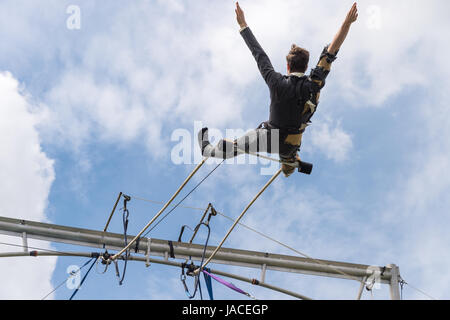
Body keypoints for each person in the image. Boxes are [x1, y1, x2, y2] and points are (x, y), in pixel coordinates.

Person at [199, 2, 358, 177]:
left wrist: (243, 25)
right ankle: (289, 163)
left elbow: (259, 54)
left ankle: (209, 150)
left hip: (268, 138)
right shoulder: (312, 85)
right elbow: (331, 51)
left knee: (234, 148)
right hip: (291, 142)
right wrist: (347, 23)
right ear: (306, 67)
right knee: (289, 146)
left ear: (288, 67)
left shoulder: (276, 81)